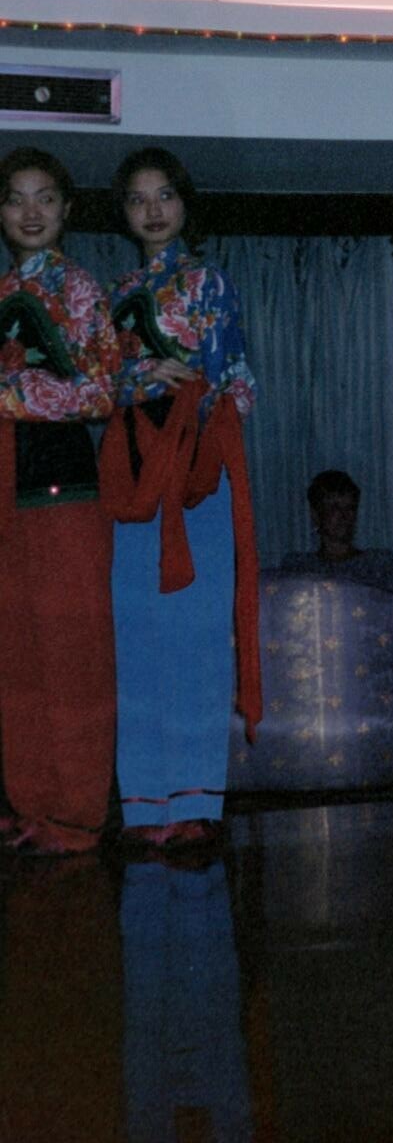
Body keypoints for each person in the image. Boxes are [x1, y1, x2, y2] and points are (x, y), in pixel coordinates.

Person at [100, 147, 260, 851]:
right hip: (135, 472)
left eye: (164, 194)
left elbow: (238, 383)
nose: (153, 209)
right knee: (136, 634)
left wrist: (190, 386)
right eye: (138, 199)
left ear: (185, 203)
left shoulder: (208, 283)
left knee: (197, 635)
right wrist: (139, 381)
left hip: (198, 470)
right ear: (124, 213)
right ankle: (143, 804)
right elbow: (98, 389)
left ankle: (195, 801)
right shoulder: (114, 296)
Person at [0, 146, 120, 854]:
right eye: (16, 198)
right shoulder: (2, 292)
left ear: (66, 210)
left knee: (72, 651)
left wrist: (11, 395)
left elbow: (101, 392)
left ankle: (76, 813)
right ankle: (32, 804)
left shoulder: (79, 290)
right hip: (7, 486)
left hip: (63, 487)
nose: (31, 211)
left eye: (45, 197)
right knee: (16, 652)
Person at [281, 469, 393, 610]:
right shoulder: (299, 567)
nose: (344, 516)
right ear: (316, 515)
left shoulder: (382, 565)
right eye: (334, 508)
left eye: (350, 508)